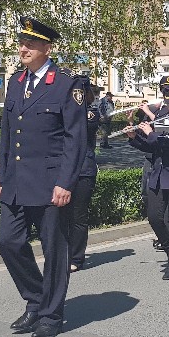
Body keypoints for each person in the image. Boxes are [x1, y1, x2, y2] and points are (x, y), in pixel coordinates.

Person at [0, 16, 86, 337]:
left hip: (50, 184)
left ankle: (51, 314)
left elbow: (75, 139)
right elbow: (8, 133)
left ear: (46, 48)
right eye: (22, 43)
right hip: (17, 183)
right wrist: (2, 177)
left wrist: (66, 182)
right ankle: (36, 300)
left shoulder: (65, 84)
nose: (23, 48)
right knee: (8, 241)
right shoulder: (15, 82)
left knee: (54, 251)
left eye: (30, 44)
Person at [124, 84, 169, 280]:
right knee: (154, 218)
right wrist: (134, 138)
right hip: (158, 176)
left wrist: (150, 131)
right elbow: (151, 147)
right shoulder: (160, 122)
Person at [129, 75, 169, 250]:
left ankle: (167, 238)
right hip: (151, 157)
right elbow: (146, 133)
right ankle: (162, 235)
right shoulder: (157, 107)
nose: (166, 92)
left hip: (166, 159)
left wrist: (150, 113)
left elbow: (165, 129)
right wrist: (132, 126)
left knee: (164, 200)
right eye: (164, 88)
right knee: (148, 195)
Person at [70, 78, 100, 272]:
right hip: (62, 169)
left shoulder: (91, 113)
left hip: (83, 169)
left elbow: (80, 128)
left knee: (78, 215)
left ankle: (76, 257)